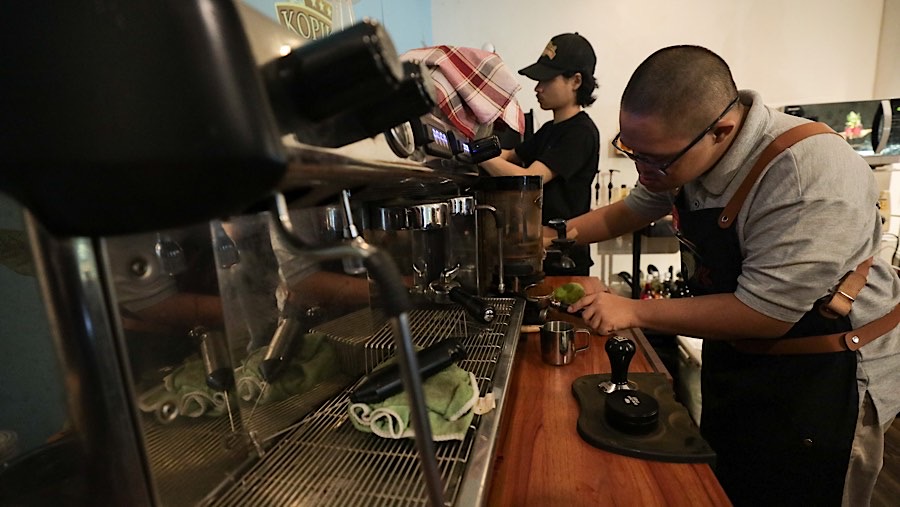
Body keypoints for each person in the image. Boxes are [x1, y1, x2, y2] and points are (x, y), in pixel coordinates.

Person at [558, 45, 900, 506]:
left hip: (826, 370)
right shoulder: (680, 151)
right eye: (630, 151)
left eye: (654, 161)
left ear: (721, 131)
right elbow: (631, 209)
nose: (643, 170)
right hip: (746, 355)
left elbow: (765, 313)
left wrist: (632, 311)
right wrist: (552, 235)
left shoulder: (803, 172)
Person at [479, 32, 600, 276]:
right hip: (538, 250)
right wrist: (471, 146)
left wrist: (481, 157)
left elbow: (531, 178)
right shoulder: (549, 130)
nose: (538, 87)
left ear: (576, 81)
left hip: (563, 260)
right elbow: (510, 155)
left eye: (546, 80)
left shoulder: (581, 133)